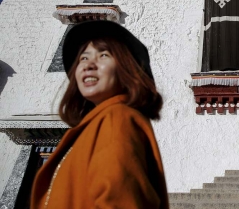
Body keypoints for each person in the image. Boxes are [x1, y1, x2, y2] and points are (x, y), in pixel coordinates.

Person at [31, 21, 169, 209]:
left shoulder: (117, 119)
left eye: (103, 55)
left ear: (126, 69)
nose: (89, 65)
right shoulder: (96, 125)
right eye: (83, 58)